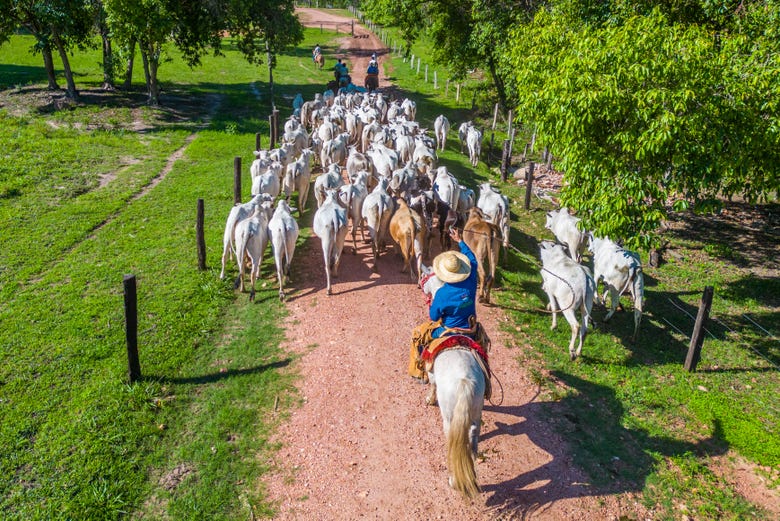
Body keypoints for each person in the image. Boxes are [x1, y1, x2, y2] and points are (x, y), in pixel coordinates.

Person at [408, 227, 479, 379]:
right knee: (483, 346)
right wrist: (460, 241)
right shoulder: (471, 281)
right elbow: (472, 260)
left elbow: (434, 317)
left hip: (448, 331)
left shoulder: (442, 294)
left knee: (418, 335)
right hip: (471, 329)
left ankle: (419, 372)